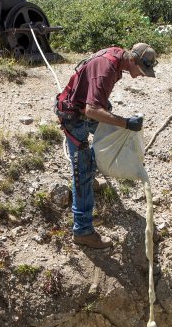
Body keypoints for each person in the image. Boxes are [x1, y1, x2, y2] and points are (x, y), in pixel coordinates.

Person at [54, 43, 157, 249]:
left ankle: (90, 180)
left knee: (108, 136)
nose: (141, 75)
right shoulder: (107, 68)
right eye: (141, 71)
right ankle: (82, 231)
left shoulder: (117, 57)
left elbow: (95, 100)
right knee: (82, 171)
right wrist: (125, 123)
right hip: (74, 116)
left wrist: (119, 123)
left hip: (82, 108)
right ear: (132, 60)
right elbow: (92, 110)